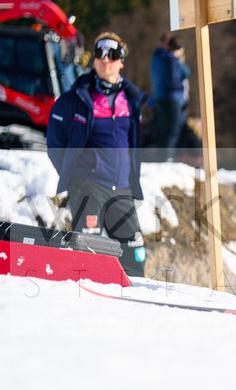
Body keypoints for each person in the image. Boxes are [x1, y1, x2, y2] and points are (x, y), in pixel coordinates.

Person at [46, 32, 148, 277]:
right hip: (89, 187)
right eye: (100, 54)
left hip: (122, 189)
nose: (105, 60)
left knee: (135, 256)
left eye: (112, 55)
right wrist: (76, 176)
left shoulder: (131, 100)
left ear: (121, 61)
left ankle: (137, 306)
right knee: (89, 254)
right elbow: (55, 144)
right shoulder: (76, 99)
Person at [149, 33, 190, 161]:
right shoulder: (171, 59)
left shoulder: (156, 58)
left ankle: (161, 158)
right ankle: (167, 158)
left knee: (164, 129)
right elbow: (184, 73)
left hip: (158, 96)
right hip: (172, 97)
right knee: (173, 129)